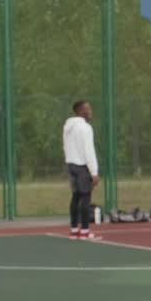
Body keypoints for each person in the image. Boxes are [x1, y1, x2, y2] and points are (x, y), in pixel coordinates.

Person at [63, 100, 100, 240]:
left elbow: (66, 147)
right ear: (80, 111)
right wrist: (94, 172)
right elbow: (88, 151)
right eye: (87, 109)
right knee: (85, 198)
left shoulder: (68, 127)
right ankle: (85, 231)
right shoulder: (85, 128)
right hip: (82, 166)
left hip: (71, 165)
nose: (90, 111)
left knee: (75, 197)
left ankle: (74, 230)